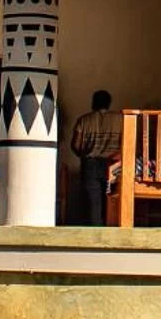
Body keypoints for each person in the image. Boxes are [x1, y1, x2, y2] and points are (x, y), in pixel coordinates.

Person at [69, 90, 119, 225]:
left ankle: (95, 233)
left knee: (93, 203)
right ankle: (111, 230)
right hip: (113, 165)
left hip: (90, 164)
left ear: (93, 102)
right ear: (109, 103)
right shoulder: (119, 119)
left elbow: (75, 144)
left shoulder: (84, 120)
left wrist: (84, 156)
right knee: (112, 199)